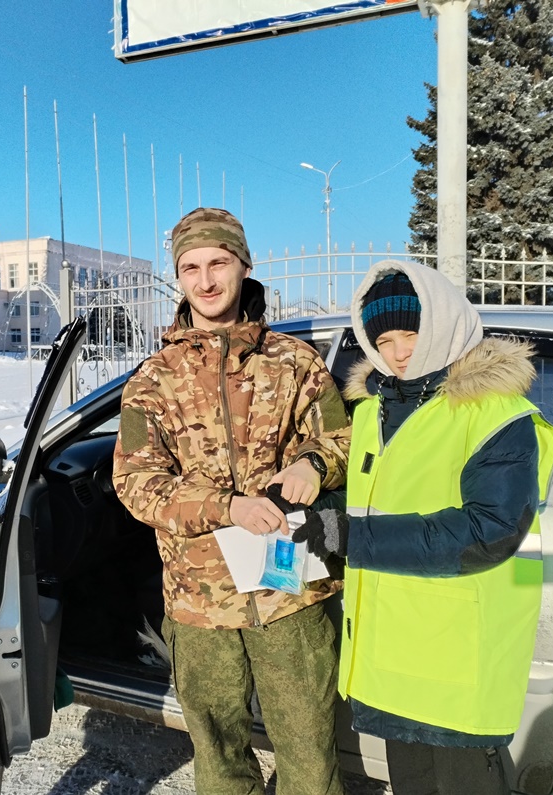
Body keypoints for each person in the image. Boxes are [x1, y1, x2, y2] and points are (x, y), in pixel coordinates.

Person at [292, 260, 553, 795]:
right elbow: (382, 498)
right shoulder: (374, 412)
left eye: (411, 333)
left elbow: (490, 530)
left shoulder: (496, 413)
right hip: (393, 652)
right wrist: (319, 511)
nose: (397, 351)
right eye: (383, 338)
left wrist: (348, 538)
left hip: (459, 654)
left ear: (443, 323)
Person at [112, 207, 351, 795]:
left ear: (244, 266)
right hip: (199, 598)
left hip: (290, 585)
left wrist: (315, 464)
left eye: (219, 262)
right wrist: (226, 507)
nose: (206, 279)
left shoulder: (295, 363)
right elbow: (136, 483)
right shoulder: (153, 380)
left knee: (309, 752)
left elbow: (344, 438)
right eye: (191, 267)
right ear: (179, 277)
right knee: (217, 754)